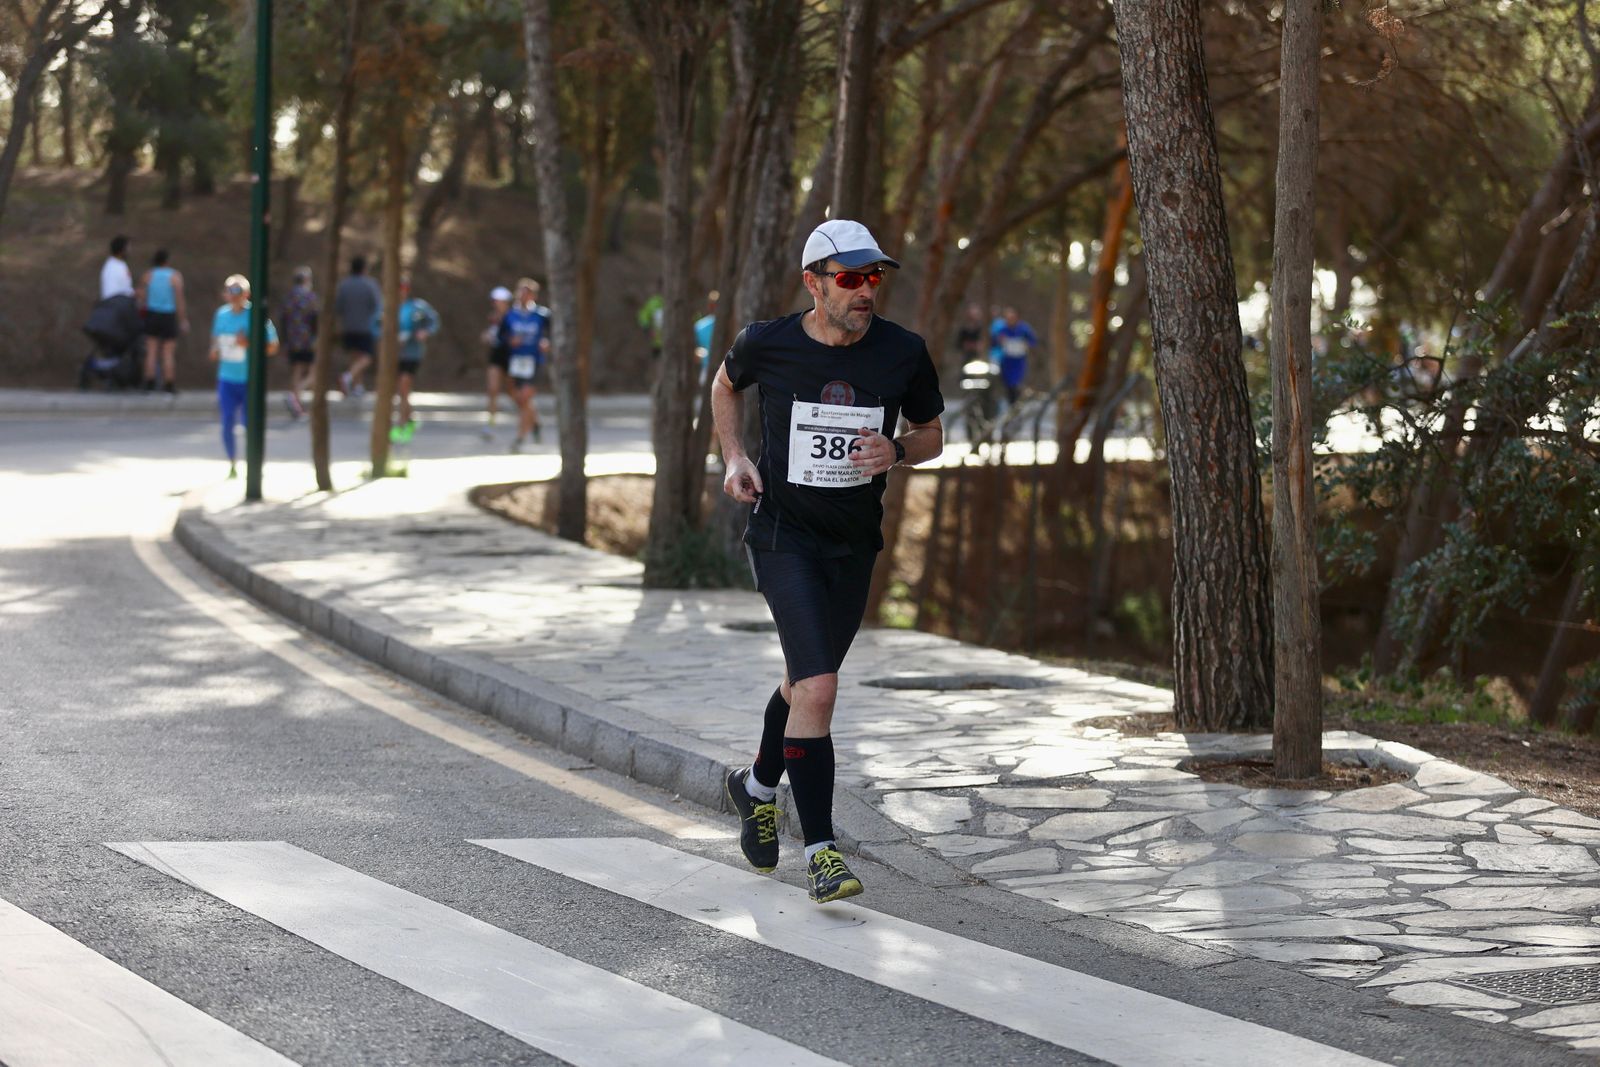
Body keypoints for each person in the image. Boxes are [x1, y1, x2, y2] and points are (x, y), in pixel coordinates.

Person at [712, 218, 944, 903]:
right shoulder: (769, 342)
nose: (866, 291)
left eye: (874, 277)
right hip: (783, 536)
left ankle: (754, 786)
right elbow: (725, 386)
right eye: (849, 278)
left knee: (803, 683)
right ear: (813, 284)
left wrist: (898, 451)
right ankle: (820, 850)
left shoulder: (902, 352)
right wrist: (734, 456)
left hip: (853, 544)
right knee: (819, 688)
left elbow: (931, 432)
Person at [208, 274, 278, 479]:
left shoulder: (257, 315)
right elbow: (215, 342)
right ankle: (231, 463)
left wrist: (248, 344)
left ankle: (254, 465)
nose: (233, 295)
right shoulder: (221, 315)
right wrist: (214, 351)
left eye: (237, 291)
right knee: (227, 421)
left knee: (250, 424)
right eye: (229, 290)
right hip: (227, 378)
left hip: (250, 380)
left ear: (247, 294)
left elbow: (273, 346)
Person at [497, 276, 550, 452]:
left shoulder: (542, 315)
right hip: (515, 362)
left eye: (526, 293)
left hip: (534, 361)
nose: (522, 296)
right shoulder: (510, 315)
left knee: (525, 397)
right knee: (518, 397)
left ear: (533, 296)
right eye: (520, 293)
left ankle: (519, 439)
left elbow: (553, 334)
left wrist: (546, 342)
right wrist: (510, 341)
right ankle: (535, 422)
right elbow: (501, 336)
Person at [391, 276, 440, 442]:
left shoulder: (417, 306)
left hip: (412, 353)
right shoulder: (390, 307)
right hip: (395, 353)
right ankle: (410, 419)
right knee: (401, 390)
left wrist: (425, 332)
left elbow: (434, 321)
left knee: (403, 388)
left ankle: (401, 424)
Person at [139, 249, 187, 394]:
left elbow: (142, 296)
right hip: (168, 315)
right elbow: (179, 299)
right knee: (168, 352)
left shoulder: (148, 275)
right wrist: (183, 319)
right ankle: (169, 383)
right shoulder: (174, 276)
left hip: (152, 314)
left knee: (151, 350)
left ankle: (149, 381)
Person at [334, 255, 382, 395]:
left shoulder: (343, 285)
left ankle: (356, 386)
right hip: (365, 327)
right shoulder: (370, 284)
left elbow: (338, 307)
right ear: (364, 269)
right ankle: (347, 377)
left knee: (355, 356)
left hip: (348, 326)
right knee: (366, 357)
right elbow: (376, 305)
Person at [278, 266, 318, 419]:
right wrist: (316, 338)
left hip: (292, 340)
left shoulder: (288, 297)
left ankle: (297, 405)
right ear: (306, 280)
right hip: (307, 340)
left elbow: (283, 320)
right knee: (313, 372)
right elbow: (315, 319)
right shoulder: (310, 297)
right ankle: (294, 397)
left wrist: (284, 340)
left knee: (297, 371)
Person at [481, 285, 514, 440]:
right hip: (496, 356)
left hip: (512, 356)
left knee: (514, 392)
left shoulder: (513, 316)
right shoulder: (492, 317)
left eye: (499, 300)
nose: (496, 303)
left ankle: (531, 420)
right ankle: (491, 423)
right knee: (492, 389)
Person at [991, 305, 1038, 406]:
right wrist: (999, 341)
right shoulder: (1002, 329)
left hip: (1019, 361)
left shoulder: (1024, 329)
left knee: (1016, 385)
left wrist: (1027, 345)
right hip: (1007, 361)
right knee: (1008, 386)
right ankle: (1010, 407)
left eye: (1012, 318)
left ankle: (1018, 406)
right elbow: (994, 342)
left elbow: (1033, 341)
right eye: (1008, 318)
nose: (1010, 320)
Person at [101, 235, 135, 300]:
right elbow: (110, 293)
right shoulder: (112, 268)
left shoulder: (120, 264)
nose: (129, 251)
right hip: (115, 306)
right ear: (121, 250)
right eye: (128, 248)